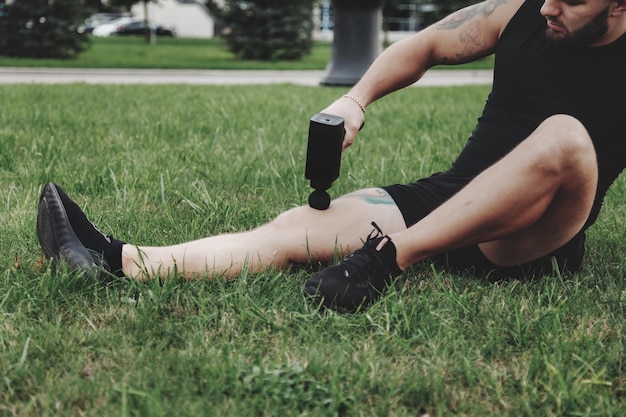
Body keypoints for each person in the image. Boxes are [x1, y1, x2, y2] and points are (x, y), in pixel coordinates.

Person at [37, 0, 625, 312]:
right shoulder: (522, 11)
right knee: (299, 226)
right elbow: (426, 44)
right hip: (454, 196)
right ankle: (116, 261)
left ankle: (387, 261)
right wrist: (355, 99)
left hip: (531, 233)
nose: (550, 5)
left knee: (564, 136)